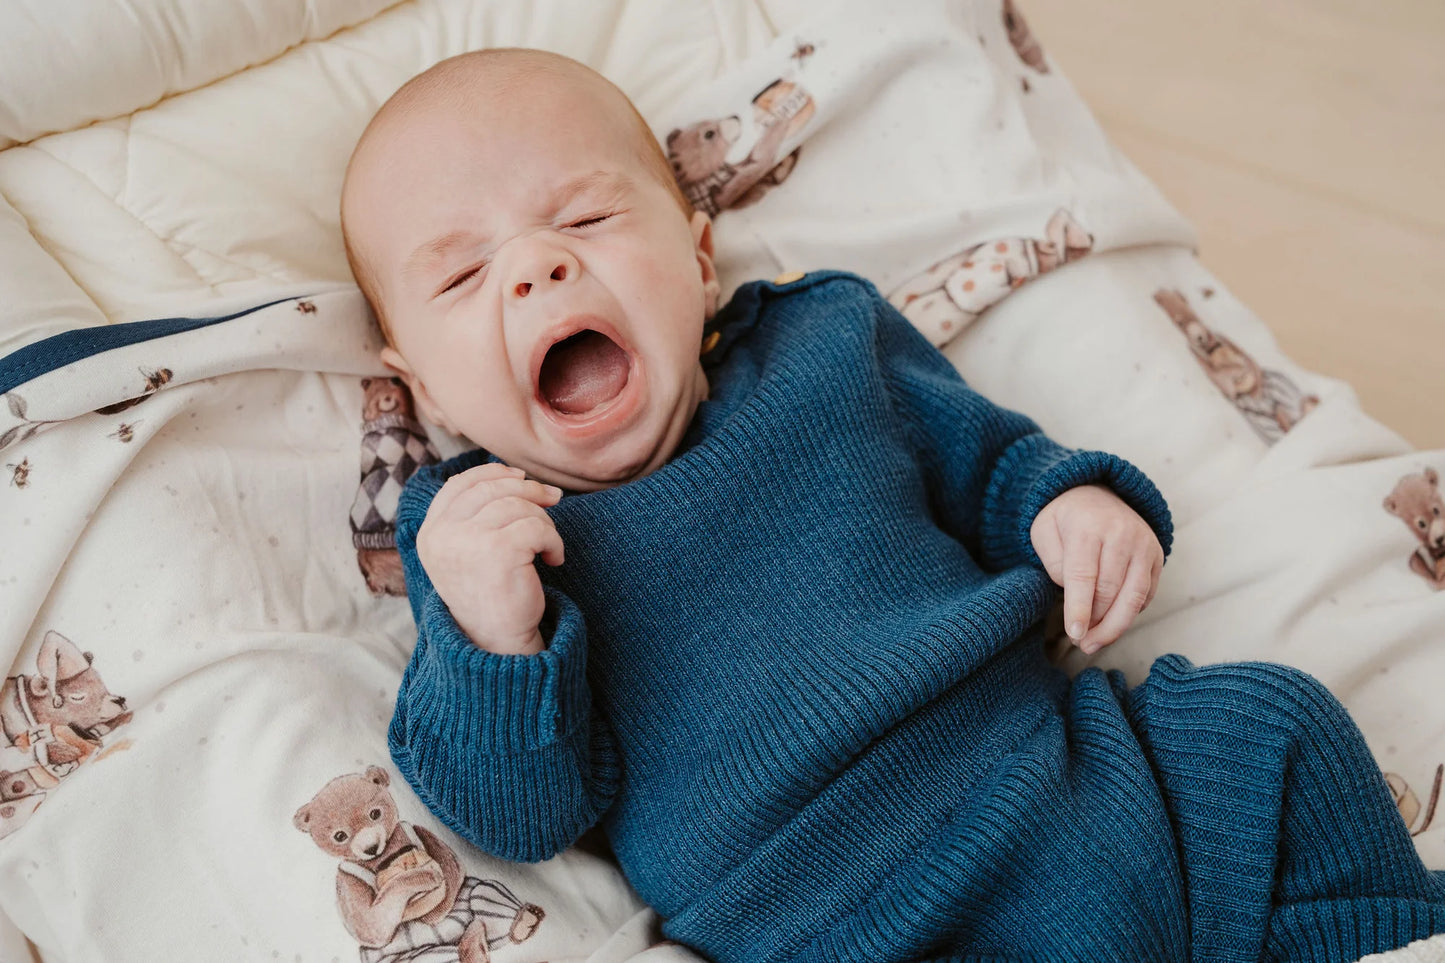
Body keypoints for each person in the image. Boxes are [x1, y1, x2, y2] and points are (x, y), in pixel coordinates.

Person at [339, 47, 1445, 963]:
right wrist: (495, 641)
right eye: (461, 277)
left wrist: (1072, 507)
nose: (533, 270)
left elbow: (992, 466)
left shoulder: (824, 347)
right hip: (833, 926)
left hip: (1073, 781)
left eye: (581, 219)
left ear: (695, 247)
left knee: (1269, 725)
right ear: (423, 385)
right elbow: (524, 817)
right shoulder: (475, 538)